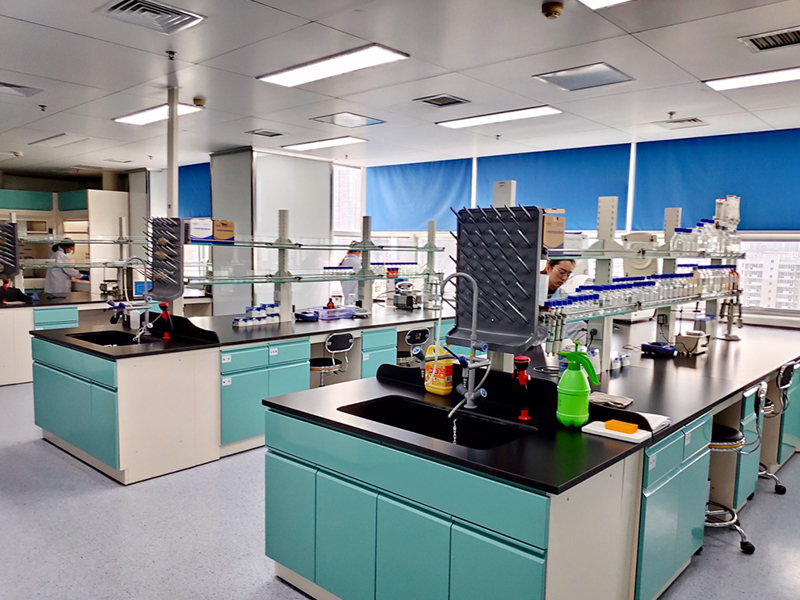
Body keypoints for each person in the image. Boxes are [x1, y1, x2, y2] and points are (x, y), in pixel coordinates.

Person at [540, 258, 587, 344]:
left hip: (550, 344)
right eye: (561, 272)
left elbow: (573, 324)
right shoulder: (531, 289)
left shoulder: (561, 295)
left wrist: (589, 341)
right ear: (548, 267)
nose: (564, 278)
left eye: (568, 274)